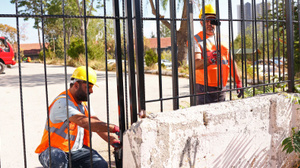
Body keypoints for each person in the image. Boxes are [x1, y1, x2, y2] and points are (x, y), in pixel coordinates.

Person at [35, 66, 120, 168]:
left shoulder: (83, 104)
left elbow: (95, 124)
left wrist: (113, 140)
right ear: (76, 85)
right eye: (88, 87)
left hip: (75, 151)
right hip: (52, 151)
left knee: (100, 165)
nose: (91, 91)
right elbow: (85, 122)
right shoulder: (63, 102)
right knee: (58, 159)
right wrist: (114, 128)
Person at [193, 4, 243, 105]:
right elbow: (195, 64)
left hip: (221, 87)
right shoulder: (196, 39)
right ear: (201, 22)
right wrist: (209, 59)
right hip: (203, 87)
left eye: (212, 20)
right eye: (206, 20)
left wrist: (238, 81)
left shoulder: (223, 39)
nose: (210, 24)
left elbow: (231, 61)